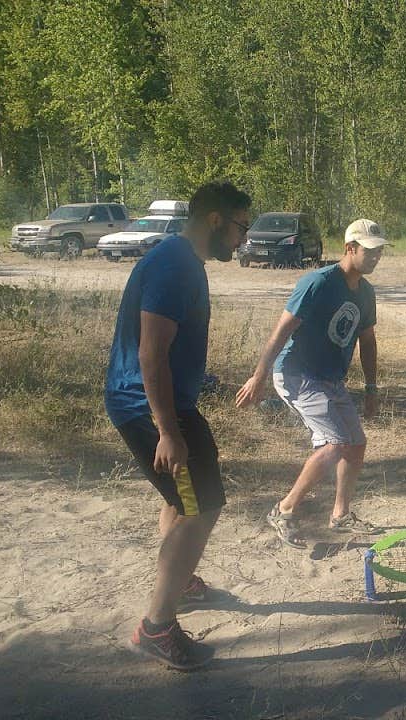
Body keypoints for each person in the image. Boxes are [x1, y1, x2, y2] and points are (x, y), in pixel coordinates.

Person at [105, 180, 252, 670]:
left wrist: (201, 382)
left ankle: (180, 583)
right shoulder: (175, 265)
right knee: (202, 504)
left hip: (160, 400)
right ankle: (156, 628)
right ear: (215, 220)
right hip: (149, 405)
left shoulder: (181, 260)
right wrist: (169, 431)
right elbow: (151, 352)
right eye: (240, 227)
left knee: (181, 498)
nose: (242, 238)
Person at [235, 218, 386, 549]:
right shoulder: (318, 282)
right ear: (350, 248)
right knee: (333, 444)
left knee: (355, 443)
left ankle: (341, 515)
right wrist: (258, 376)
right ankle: (284, 510)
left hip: (330, 377)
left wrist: (372, 389)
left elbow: (368, 341)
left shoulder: (366, 293)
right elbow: (282, 329)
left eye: (379, 252)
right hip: (295, 373)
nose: (375, 258)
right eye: (369, 251)